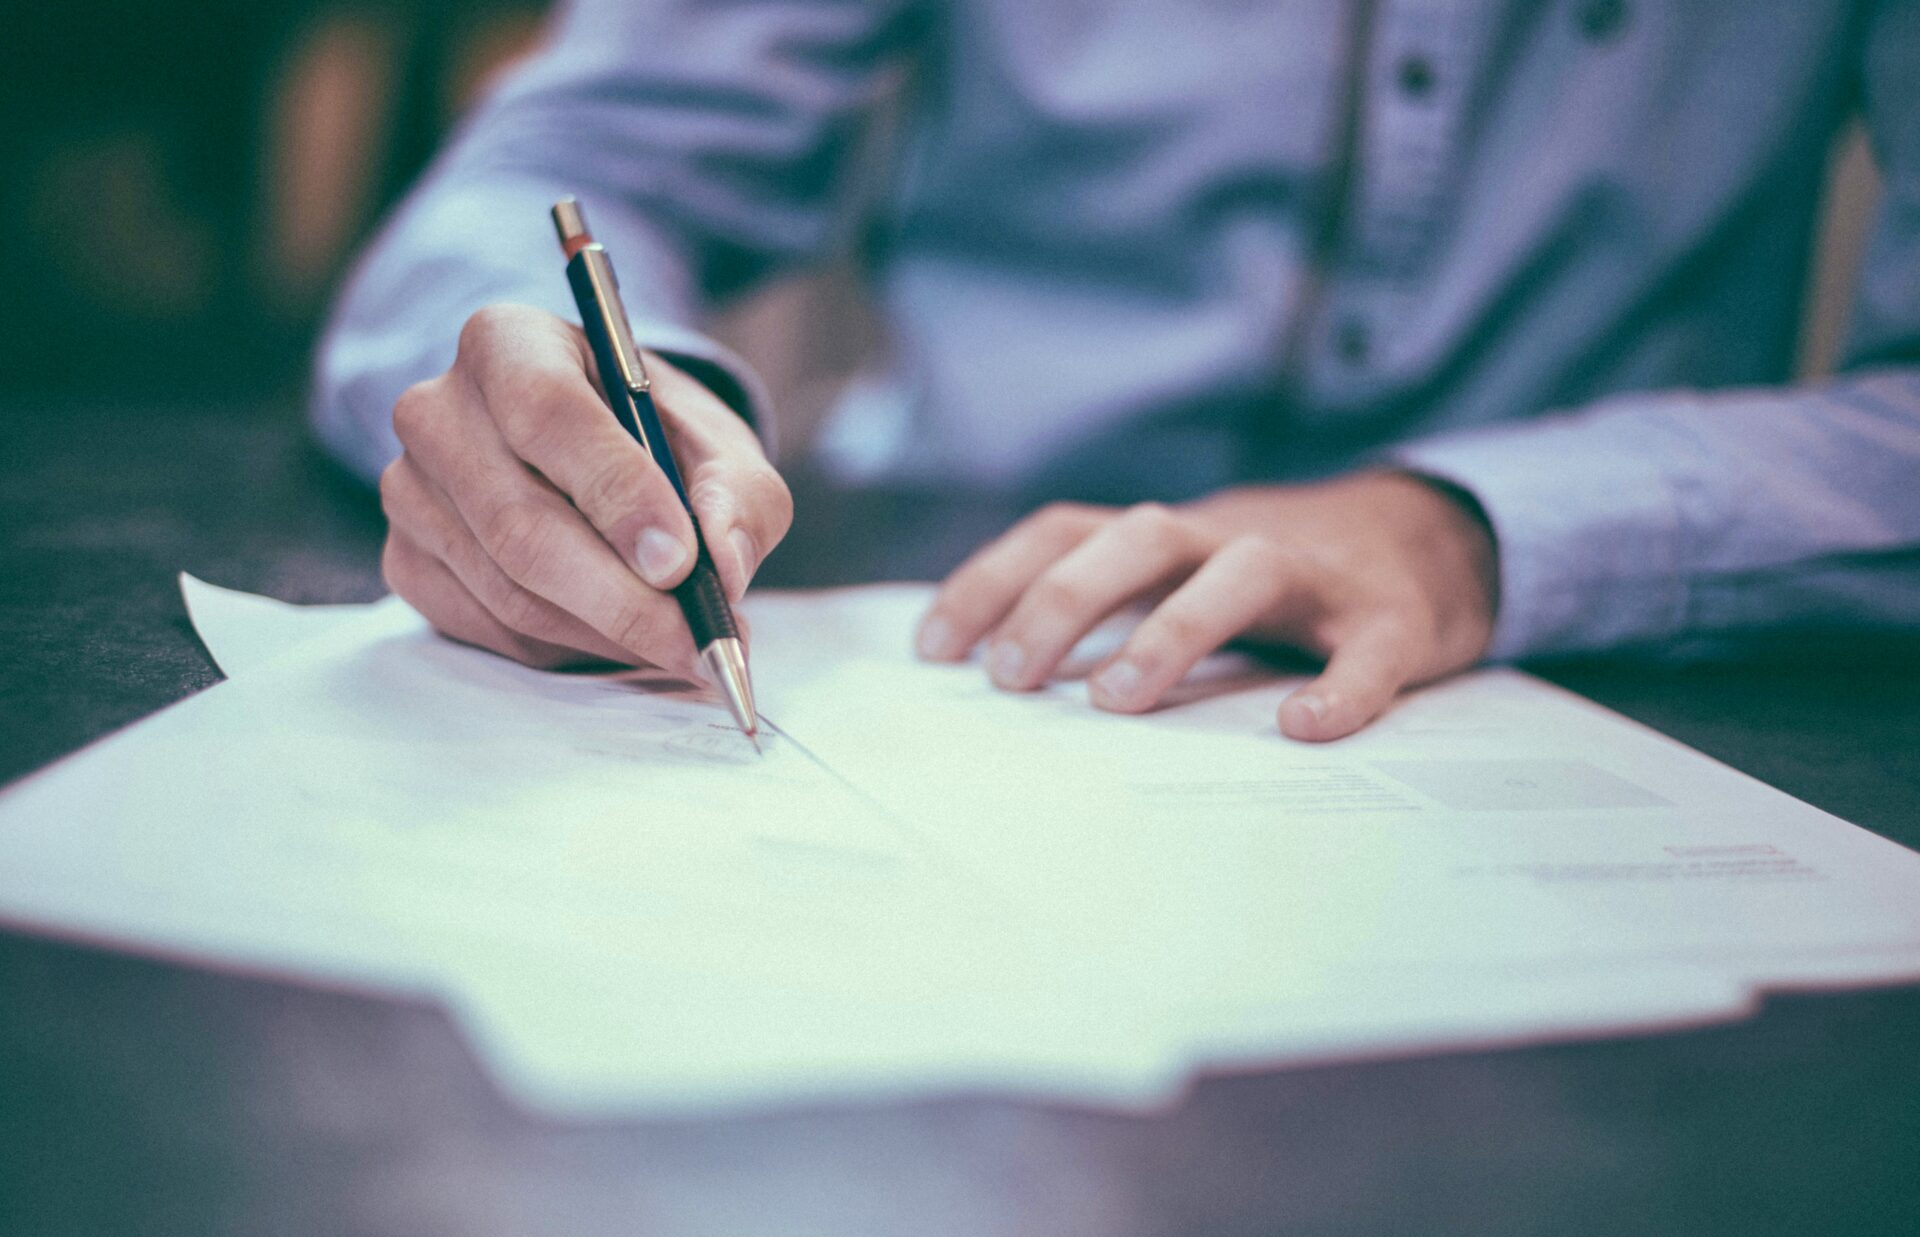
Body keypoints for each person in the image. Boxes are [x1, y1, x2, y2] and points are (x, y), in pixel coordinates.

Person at [313, 0, 1920, 741]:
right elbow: (573, 159)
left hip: (1625, 682)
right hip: (949, 622)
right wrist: (590, 409)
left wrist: (1471, 526)